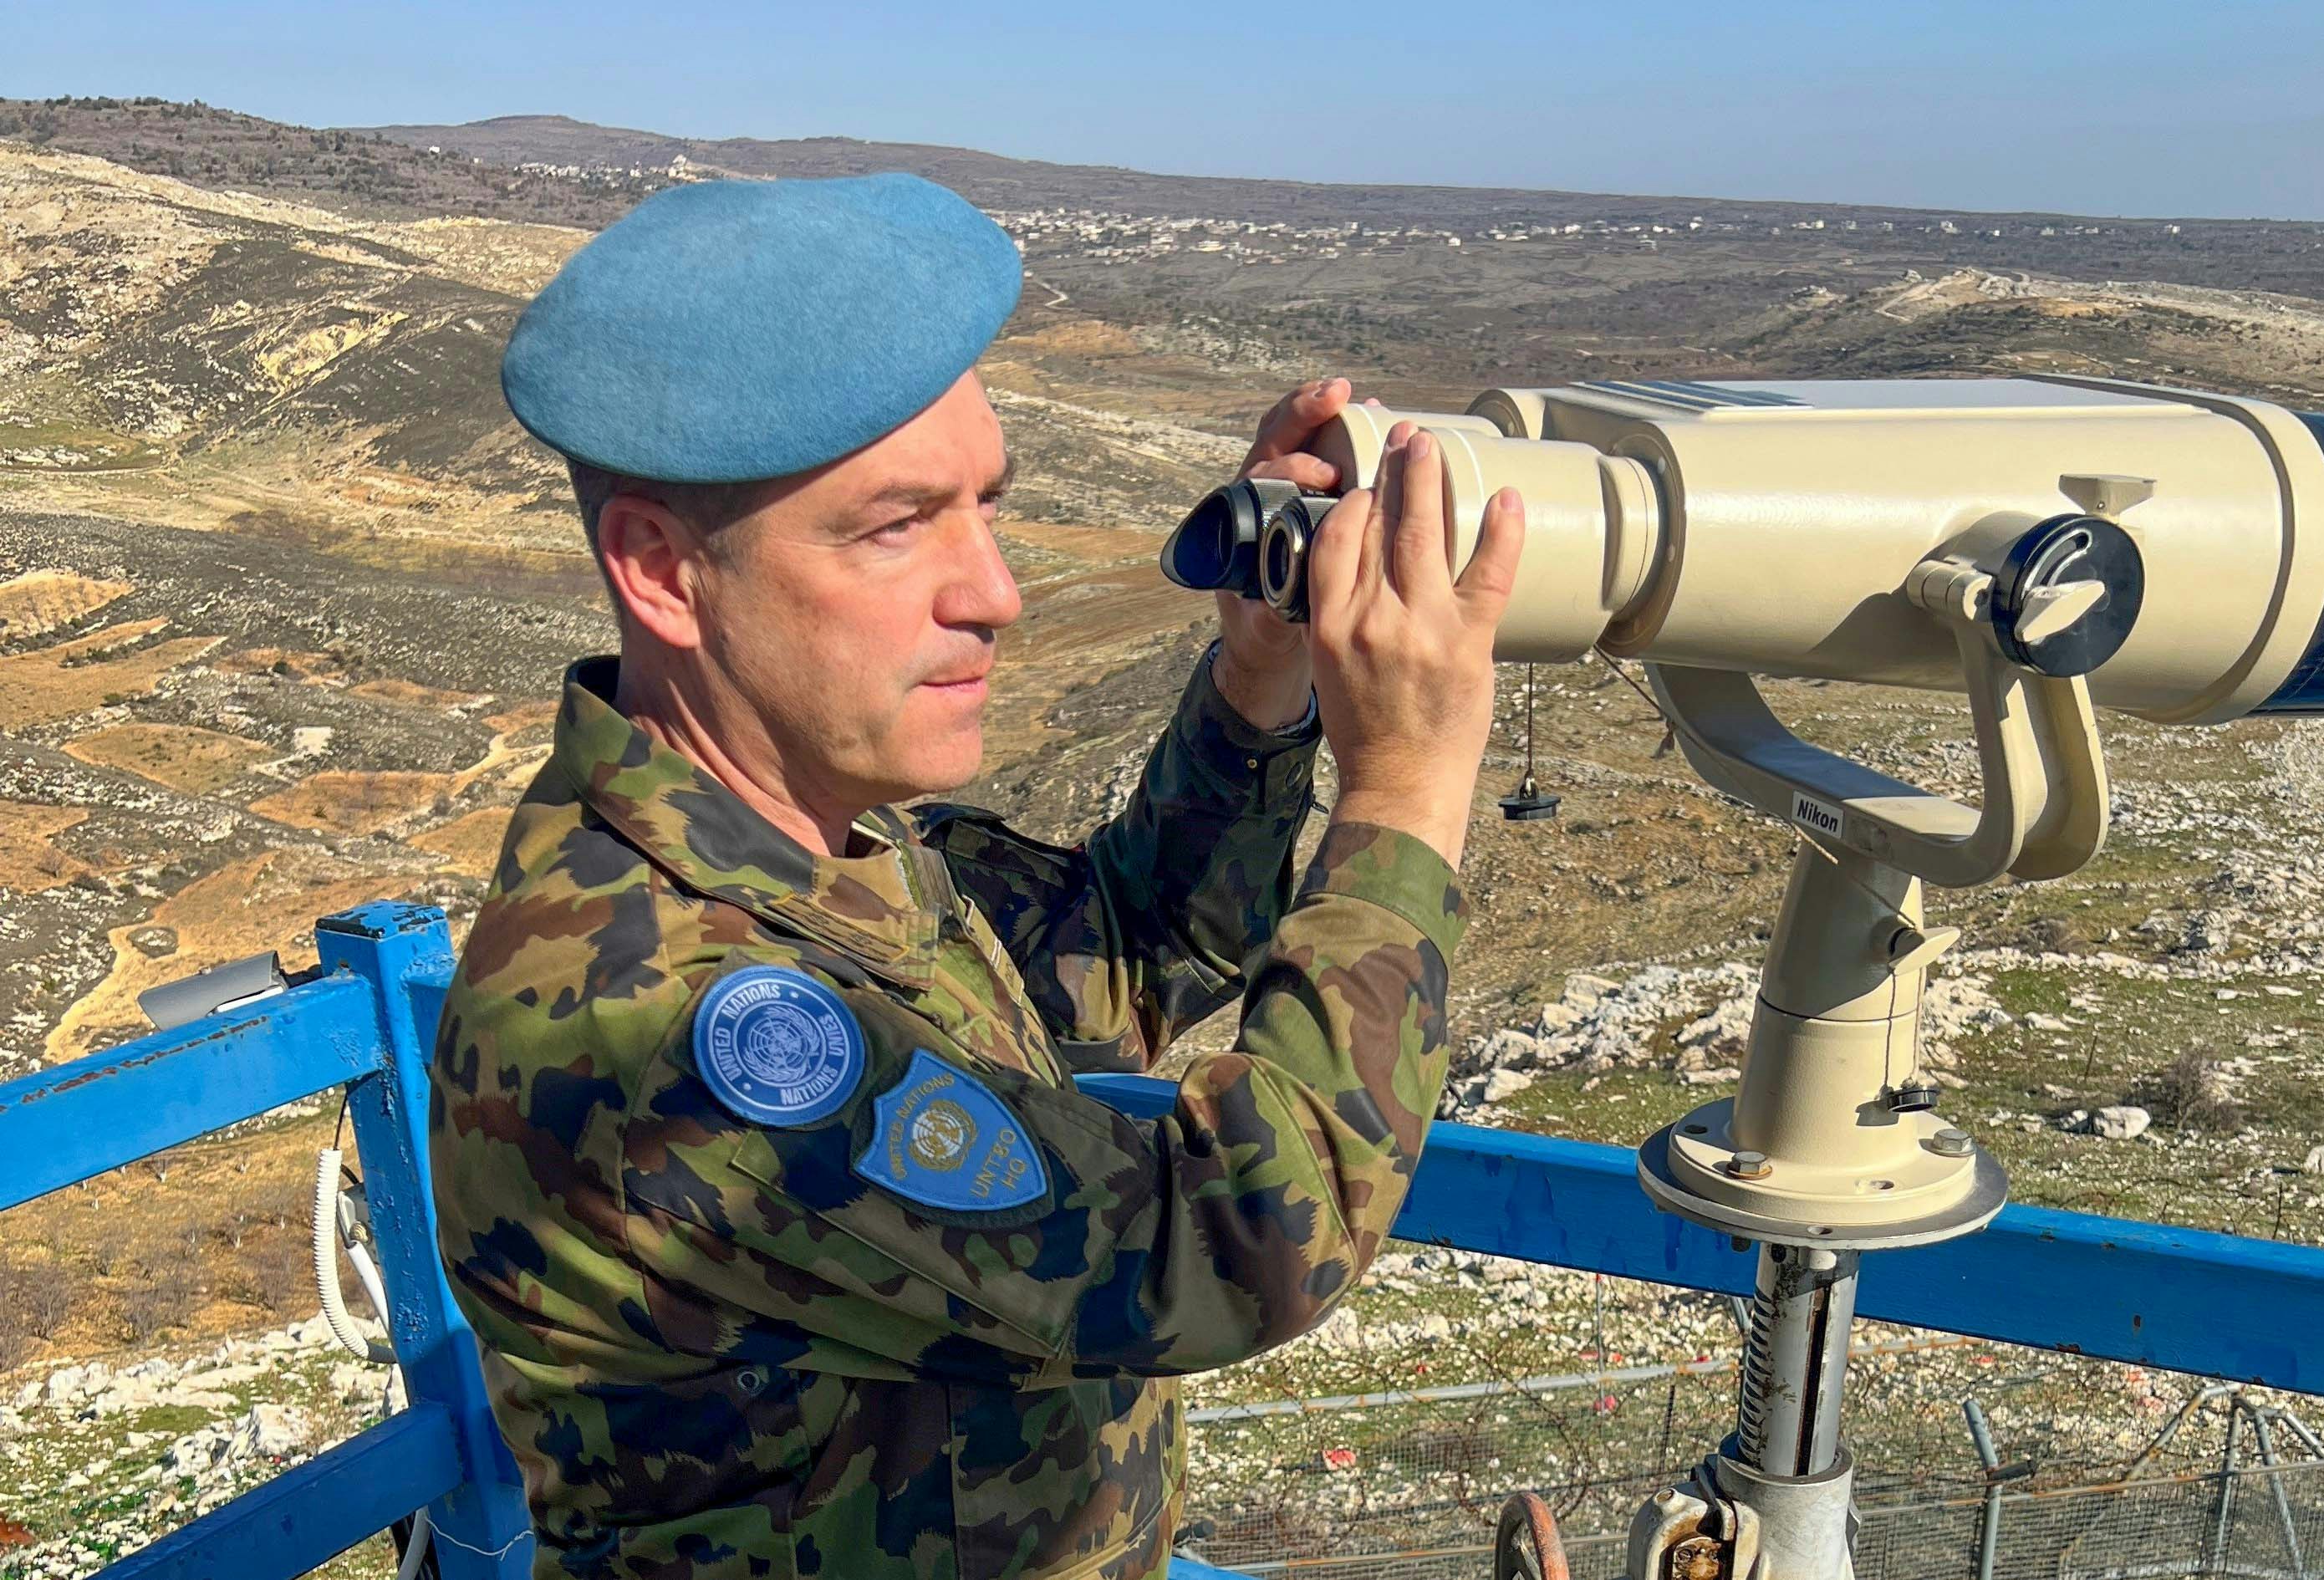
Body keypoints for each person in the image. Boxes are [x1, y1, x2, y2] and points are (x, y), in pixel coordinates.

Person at [429, 171, 1525, 1580]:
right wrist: (1407, 789)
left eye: (986, 506)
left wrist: (1261, 675)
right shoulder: (667, 1023)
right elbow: (1230, 1242)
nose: (995, 592)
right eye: (897, 525)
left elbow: (1124, 957)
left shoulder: (816, 840)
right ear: (660, 570)